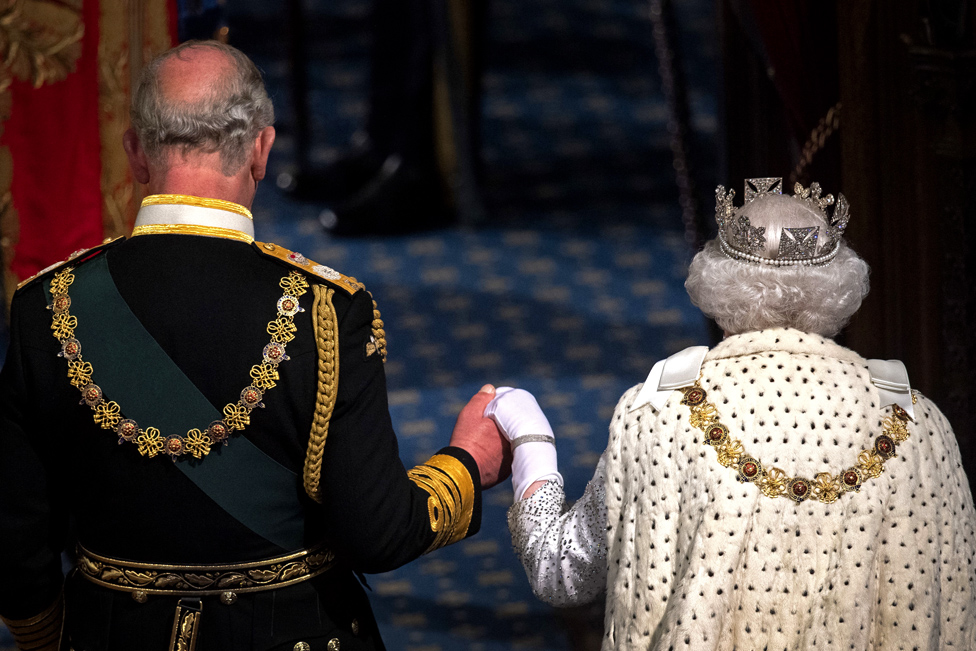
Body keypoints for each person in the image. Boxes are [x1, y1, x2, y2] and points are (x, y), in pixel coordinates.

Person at [0, 40, 508, 651]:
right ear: (262, 150)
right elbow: (377, 534)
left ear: (135, 152)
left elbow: (17, 550)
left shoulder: (44, 307)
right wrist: (467, 463)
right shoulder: (326, 311)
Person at [488, 177, 976, 649]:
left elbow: (561, 571)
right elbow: (956, 614)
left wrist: (530, 437)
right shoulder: (919, 424)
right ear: (840, 283)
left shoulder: (661, 412)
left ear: (715, 281)